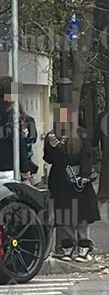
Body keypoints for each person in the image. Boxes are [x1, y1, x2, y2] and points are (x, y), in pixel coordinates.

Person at [44, 107, 100, 262]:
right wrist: (52, 148)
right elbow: (48, 158)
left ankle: (83, 247)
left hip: (77, 180)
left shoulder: (80, 134)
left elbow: (87, 155)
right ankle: (68, 247)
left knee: (81, 215)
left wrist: (85, 174)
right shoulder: (52, 135)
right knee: (66, 215)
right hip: (62, 181)